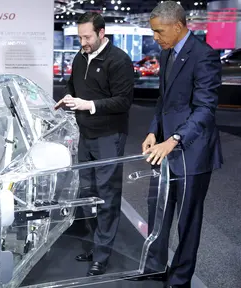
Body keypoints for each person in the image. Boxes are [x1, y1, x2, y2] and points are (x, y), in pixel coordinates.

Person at [139, 2, 223, 287]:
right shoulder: (167, 53)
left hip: (192, 151)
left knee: (188, 219)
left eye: (159, 31)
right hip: (162, 148)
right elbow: (164, 100)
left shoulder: (204, 56)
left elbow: (205, 109)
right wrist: (153, 132)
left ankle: (180, 279)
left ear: (178, 26)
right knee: (158, 209)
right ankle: (154, 267)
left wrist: (173, 139)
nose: (155, 37)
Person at [54, 12, 134, 276]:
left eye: (87, 36)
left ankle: (102, 254)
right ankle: (94, 243)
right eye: (80, 36)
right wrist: (68, 98)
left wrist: (89, 105)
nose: (83, 41)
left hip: (109, 136)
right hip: (86, 136)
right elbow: (73, 86)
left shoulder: (119, 60)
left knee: (107, 196)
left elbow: (123, 101)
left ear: (101, 33)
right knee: (87, 194)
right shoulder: (80, 56)